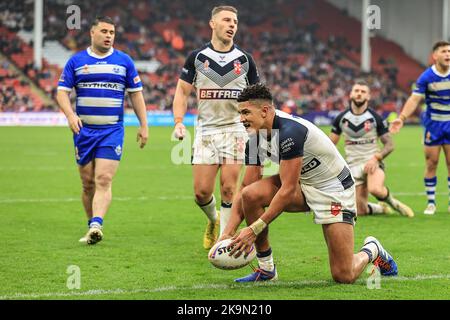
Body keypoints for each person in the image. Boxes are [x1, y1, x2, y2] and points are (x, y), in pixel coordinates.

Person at [220, 83, 397, 283]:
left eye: (245, 112)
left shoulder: (290, 132)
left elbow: (286, 191)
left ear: (264, 111)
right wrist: (227, 232)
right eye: (240, 113)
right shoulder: (254, 139)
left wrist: (254, 229)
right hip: (303, 183)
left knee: (343, 275)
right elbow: (246, 188)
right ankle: (267, 269)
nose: (241, 119)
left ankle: (372, 249)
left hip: (334, 189)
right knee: (251, 195)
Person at [172, 6, 260, 249]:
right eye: (226, 20)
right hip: (206, 131)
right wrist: (179, 122)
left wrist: (259, 129)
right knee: (201, 192)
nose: (232, 25)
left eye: (235, 21)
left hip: (235, 129)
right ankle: (214, 218)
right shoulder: (197, 58)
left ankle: (222, 241)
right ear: (213, 24)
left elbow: (258, 96)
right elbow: (181, 91)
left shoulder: (245, 60)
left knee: (229, 189)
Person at [56, 16, 148, 244]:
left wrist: (143, 125)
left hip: (111, 131)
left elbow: (135, 94)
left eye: (112, 32)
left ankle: (97, 223)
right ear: (92, 33)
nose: (109, 36)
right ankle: (91, 226)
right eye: (104, 31)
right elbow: (62, 92)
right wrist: (70, 115)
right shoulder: (76, 61)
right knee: (87, 183)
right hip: (84, 132)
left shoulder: (124, 61)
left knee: (103, 178)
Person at [329, 80, 414, 217]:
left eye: (363, 92)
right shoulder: (341, 118)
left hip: (372, 163)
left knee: (375, 189)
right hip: (352, 166)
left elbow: (390, 145)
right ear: (351, 94)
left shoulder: (375, 118)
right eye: (356, 91)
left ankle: (394, 204)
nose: (359, 94)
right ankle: (381, 208)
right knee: (360, 211)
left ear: (368, 97)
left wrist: (375, 158)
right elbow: (330, 145)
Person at [391, 41, 450, 215]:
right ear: (435, 56)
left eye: (449, 51)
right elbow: (414, 99)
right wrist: (401, 118)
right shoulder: (426, 77)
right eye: (444, 51)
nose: (448, 54)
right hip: (434, 125)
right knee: (431, 163)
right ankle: (431, 203)